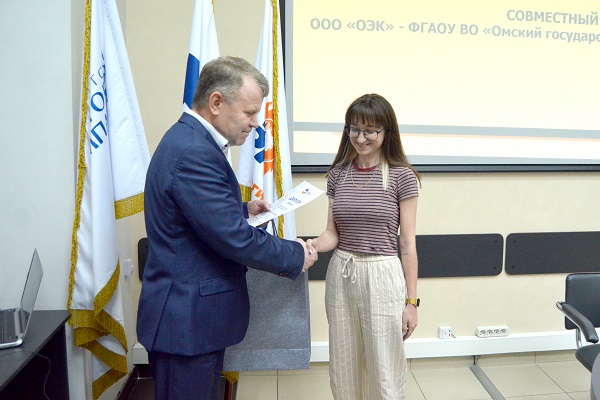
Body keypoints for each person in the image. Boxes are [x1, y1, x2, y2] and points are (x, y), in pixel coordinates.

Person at [136, 56, 317, 400]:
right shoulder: (194, 152)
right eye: (250, 112)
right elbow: (234, 238)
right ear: (216, 102)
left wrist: (241, 208)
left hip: (189, 321)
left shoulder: (189, 140)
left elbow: (193, 214)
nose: (255, 123)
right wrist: (295, 254)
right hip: (187, 325)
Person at [307, 94, 421, 400]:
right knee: (344, 359)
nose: (360, 138)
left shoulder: (402, 177)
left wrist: (412, 302)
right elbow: (333, 233)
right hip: (341, 272)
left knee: (383, 361)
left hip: (382, 273)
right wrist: (314, 245)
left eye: (370, 131)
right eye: (354, 129)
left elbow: (407, 244)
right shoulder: (338, 174)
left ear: (387, 132)